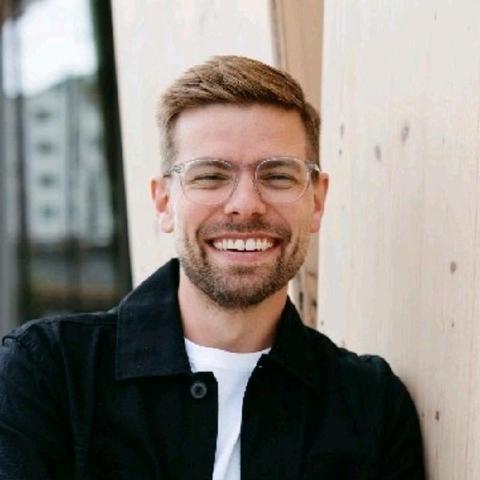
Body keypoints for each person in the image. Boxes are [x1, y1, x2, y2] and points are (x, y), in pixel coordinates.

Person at [0, 56, 424, 479]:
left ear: (317, 200)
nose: (246, 204)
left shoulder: (372, 407)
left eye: (277, 176)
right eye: (210, 176)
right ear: (164, 202)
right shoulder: (47, 374)